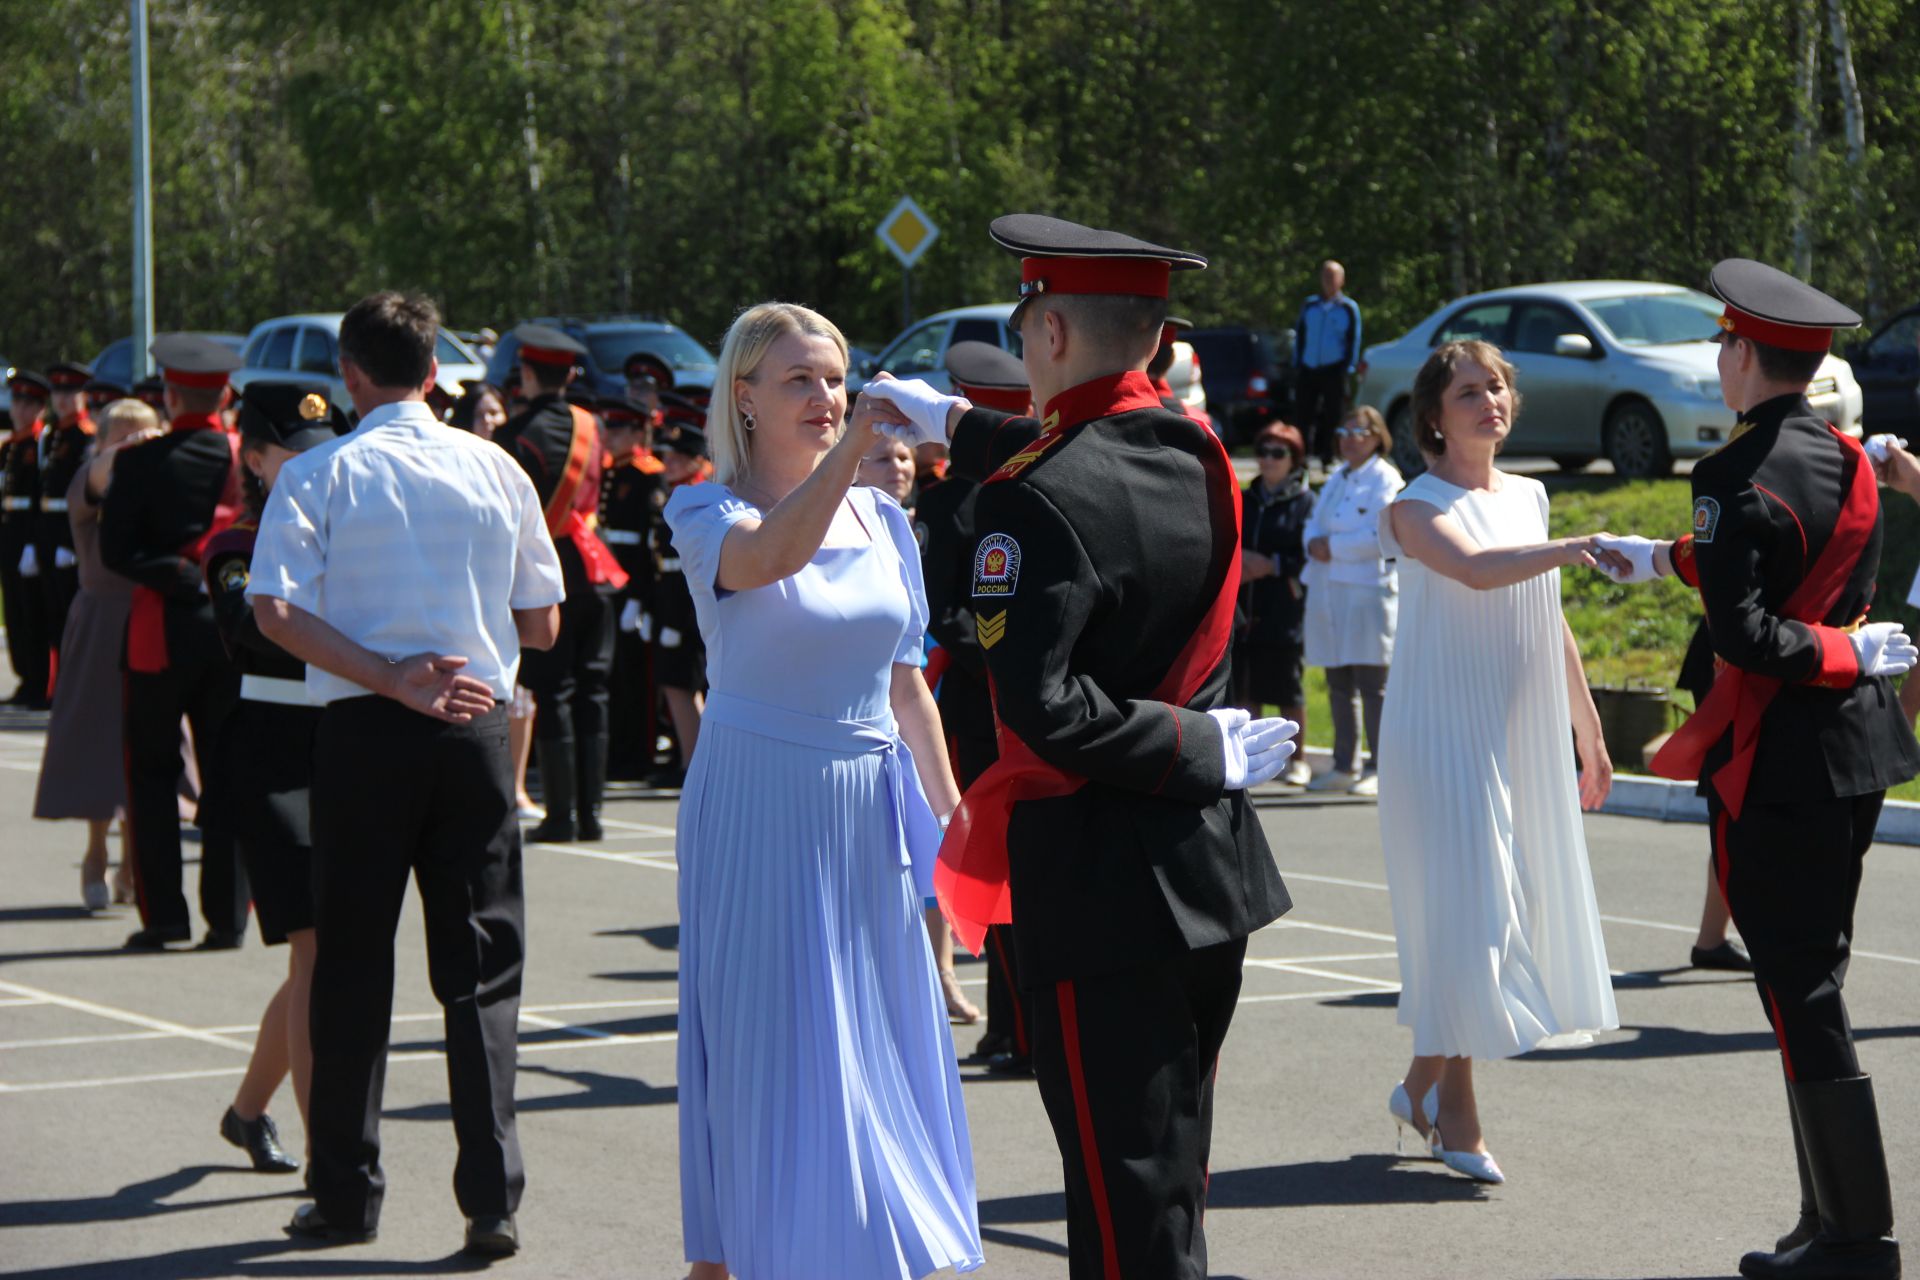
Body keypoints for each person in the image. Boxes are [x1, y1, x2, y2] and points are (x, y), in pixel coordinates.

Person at [871, 214, 1299, 1280]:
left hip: (1105, 886)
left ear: (1050, 328)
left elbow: (1047, 711)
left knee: (1121, 1208)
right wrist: (957, 420)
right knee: (1173, 1178)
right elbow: (1092, 448)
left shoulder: (1026, 500)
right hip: (1210, 872)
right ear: (1155, 342)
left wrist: (1192, 742)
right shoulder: (1201, 453)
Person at [1593, 260, 1917, 1280]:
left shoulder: (1728, 477)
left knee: (1801, 989)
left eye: (1722, 346)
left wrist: (1836, 650)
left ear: (1742, 353)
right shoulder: (1856, 461)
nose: (1718, 361)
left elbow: (1745, 631)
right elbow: (1776, 560)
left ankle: (1857, 1237)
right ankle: (1826, 1213)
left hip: (1779, 757)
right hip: (1858, 751)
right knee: (1802, 983)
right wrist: (1657, 557)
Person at [667, 302, 982, 1279]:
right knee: (774, 1054)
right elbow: (770, 558)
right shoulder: (704, 507)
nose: (827, 394)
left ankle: (860, 1250)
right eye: (799, 378)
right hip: (760, 799)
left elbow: (904, 684)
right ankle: (754, 1255)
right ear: (745, 398)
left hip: (863, 810)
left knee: (876, 1037)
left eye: (837, 376)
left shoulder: (887, 519)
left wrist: (960, 816)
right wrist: (855, 444)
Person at [248, 291, 563, 1255]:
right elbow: (543, 622)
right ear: (436, 372)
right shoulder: (496, 467)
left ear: (347, 376)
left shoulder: (320, 473)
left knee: (349, 966)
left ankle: (345, 1192)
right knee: (480, 978)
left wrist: (390, 670)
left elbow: (274, 610)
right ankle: (492, 1200)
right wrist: (457, 647)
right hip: (471, 733)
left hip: (365, 729)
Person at [1374, 339, 1619, 1184]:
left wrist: (1585, 725)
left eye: (1500, 387)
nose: (1491, 401)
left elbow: (1544, 615)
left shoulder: (1531, 495)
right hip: (1440, 732)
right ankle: (1456, 1114)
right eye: (1471, 391)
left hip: (1513, 728)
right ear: (1434, 417)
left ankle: (1420, 1085)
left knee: (1501, 906)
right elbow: (1479, 572)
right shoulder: (1414, 504)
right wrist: (1572, 546)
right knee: (1473, 916)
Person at [203, 383, 350, 1180]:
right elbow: (253, 634)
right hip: (273, 754)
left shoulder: (359, 532)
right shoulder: (236, 546)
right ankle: (334, 1162)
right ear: (254, 460)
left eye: (323, 448)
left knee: (317, 960)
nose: (312, 464)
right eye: (293, 451)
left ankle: (247, 1110)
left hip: (346, 744)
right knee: (317, 951)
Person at [98, 335, 251, 952]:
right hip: (230, 631)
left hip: (158, 629)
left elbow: (117, 553)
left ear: (167, 393)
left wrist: (176, 574)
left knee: (153, 777)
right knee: (228, 772)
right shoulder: (248, 459)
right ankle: (228, 917)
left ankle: (164, 917)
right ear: (223, 393)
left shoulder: (138, 462)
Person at [928, 339, 1035, 1067]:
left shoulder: (957, 498)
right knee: (1011, 864)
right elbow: (959, 615)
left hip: (990, 704)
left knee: (1008, 866)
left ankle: (1018, 1030)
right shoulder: (1025, 486)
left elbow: (950, 614)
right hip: (1012, 700)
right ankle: (1012, 1027)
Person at [496, 325, 629, 843]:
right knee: (593, 691)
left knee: (554, 693)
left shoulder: (512, 434)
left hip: (546, 572)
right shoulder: (591, 426)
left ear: (528, 374)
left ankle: (560, 817)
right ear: (571, 374)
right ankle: (592, 816)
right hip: (596, 569)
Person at [33, 397, 153, 909]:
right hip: (100, 621)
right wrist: (128, 451)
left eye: (143, 436)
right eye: (119, 437)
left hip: (150, 620)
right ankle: (96, 850)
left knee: (146, 743)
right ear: (100, 443)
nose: (132, 447)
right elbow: (97, 481)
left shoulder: (163, 492)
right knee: (96, 742)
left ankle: (132, 861)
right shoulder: (90, 480)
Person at [1303, 405, 1403, 796]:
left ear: (1377, 436)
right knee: (1337, 678)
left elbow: (1381, 535)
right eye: (1343, 432)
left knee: (1371, 681)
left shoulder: (1385, 478)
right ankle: (1345, 763)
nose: (1349, 439)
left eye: (1358, 432)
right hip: (1330, 587)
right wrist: (1314, 542)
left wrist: (1334, 546)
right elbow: (1313, 522)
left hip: (1366, 589)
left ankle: (1380, 766)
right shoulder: (1337, 478)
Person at [1235, 421, 1315, 787]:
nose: (1268, 460)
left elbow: (1311, 555)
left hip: (1284, 602)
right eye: (1263, 451)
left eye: (1278, 453)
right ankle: (1253, 758)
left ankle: (1297, 760)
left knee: (1285, 684)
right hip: (1245, 602)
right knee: (1246, 684)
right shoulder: (1245, 498)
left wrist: (1272, 565)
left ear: (1293, 459)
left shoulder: (1306, 502)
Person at [600, 397, 668, 782]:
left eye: (618, 430)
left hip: (634, 586)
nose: (610, 437)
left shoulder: (647, 474)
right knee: (617, 675)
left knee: (637, 678)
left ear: (636, 433)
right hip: (614, 584)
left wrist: (641, 597)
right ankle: (619, 751)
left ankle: (639, 754)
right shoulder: (616, 471)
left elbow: (649, 543)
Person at [649, 424, 712, 784]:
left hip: (687, 609)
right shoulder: (676, 493)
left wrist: (679, 619)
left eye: (678, 458)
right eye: (667, 457)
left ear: (697, 461)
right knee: (676, 687)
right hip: (670, 603)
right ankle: (689, 760)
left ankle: (695, 764)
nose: (669, 464)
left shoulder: (699, 496)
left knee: (685, 687)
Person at [37, 362, 97, 669]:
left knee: (70, 610)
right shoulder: (51, 436)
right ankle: (53, 682)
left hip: (69, 532)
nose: (62, 399)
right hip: (47, 529)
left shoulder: (84, 436)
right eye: (58, 391)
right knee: (50, 612)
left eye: (70, 391)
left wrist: (71, 543)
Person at [2, 369, 51, 708]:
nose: (21, 408)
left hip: (29, 538)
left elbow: (41, 496)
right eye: (18, 400)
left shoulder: (41, 443)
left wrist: (34, 542)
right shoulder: (10, 446)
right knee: (15, 612)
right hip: (9, 534)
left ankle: (38, 681)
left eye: (30, 402)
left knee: (33, 612)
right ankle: (24, 678)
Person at [1292, 259, 1363, 465]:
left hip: (1334, 368)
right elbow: (1301, 335)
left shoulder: (1348, 308)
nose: (1328, 281)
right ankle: (1301, 457)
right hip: (1308, 367)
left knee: (1333, 415)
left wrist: (1348, 368)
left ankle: (1329, 457)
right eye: (1325, 276)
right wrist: (1297, 363)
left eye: (1333, 277)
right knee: (1304, 414)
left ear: (1342, 280)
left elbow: (1353, 339)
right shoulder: (1310, 305)